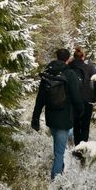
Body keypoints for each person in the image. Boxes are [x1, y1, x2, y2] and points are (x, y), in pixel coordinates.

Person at [31, 48, 84, 180]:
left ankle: (59, 169)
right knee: (59, 154)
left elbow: (40, 98)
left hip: (51, 118)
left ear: (57, 57)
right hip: (64, 118)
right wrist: (81, 111)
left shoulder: (48, 73)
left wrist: (35, 118)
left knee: (58, 146)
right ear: (68, 59)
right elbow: (76, 97)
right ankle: (56, 183)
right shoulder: (70, 74)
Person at [70, 46, 96, 147]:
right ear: (83, 57)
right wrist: (94, 98)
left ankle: (77, 146)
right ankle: (83, 148)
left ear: (74, 57)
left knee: (76, 125)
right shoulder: (91, 68)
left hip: (73, 100)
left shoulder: (70, 67)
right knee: (85, 125)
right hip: (87, 100)